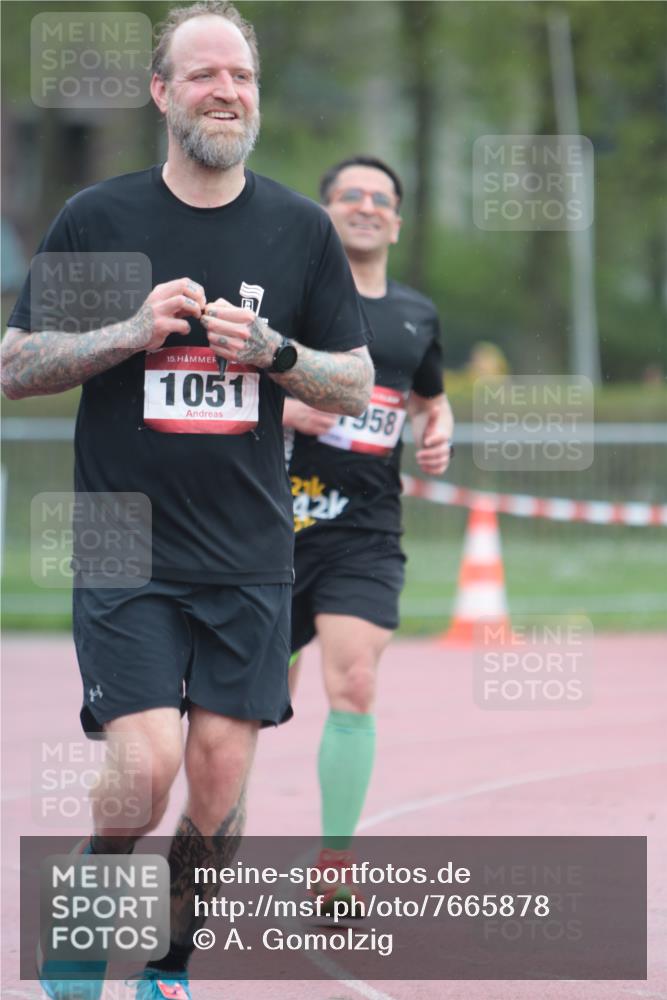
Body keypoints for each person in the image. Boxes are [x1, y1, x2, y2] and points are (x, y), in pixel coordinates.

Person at [1, 4, 373, 999]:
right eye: (204, 75)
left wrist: (276, 353)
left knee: (215, 781)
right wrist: (126, 332)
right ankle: (76, 951)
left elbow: (354, 380)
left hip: (250, 548)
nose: (226, 91)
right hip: (125, 538)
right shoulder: (101, 219)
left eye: (241, 76)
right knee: (145, 767)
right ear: (163, 93)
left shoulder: (298, 230)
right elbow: (14, 364)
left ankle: (169, 967)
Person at [284, 155, 453, 909]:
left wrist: (437, 429)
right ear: (323, 211)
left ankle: (334, 865)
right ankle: (203, 850)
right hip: (269, 527)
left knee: (353, 684)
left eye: (380, 198)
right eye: (348, 194)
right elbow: (227, 386)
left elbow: (427, 401)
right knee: (242, 709)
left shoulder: (416, 314)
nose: (365, 206)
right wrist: (289, 411)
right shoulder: (290, 297)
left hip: (365, 531)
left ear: (397, 219)